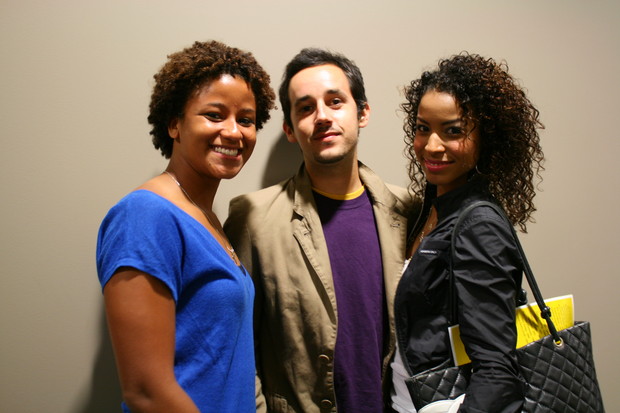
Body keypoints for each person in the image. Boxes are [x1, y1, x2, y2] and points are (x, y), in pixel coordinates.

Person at [224, 48, 416, 412]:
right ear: (290, 129)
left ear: (362, 113)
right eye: (306, 108)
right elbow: (238, 347)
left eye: (335, 101)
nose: (323, 116)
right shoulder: (253, 219)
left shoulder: (411, 211)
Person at [96, 40, 275, 412]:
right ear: (174, 124)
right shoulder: (145, 215)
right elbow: (146, 392)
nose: (234, 131)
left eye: (245, 120)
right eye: (214, 115)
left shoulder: (208, 220)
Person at [391, 53, 545, 413]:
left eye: (453, 131)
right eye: (423, 128)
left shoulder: (478, 225)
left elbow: (497, 373)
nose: (432, 145)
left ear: (485, 139)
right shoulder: (430, 209)